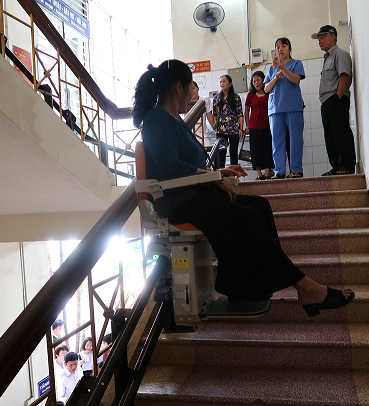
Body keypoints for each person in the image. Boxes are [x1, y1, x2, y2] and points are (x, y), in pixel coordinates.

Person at [132, 59, 354, 316]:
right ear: (178, 87)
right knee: (249, 218)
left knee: (261, 207)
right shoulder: (157, 119)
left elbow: (186, 164)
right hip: (180, 203)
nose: (193, 93)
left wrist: (220, 172)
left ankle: (247, 287)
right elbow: (170, 167)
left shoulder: (174, 120)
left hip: (194, 195)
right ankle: (306, 288)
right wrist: (214, 176)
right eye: (191, 86)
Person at [313, 25, 356, 176]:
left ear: (333, 36)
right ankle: (336, 166)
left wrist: (338, 97)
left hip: (336, 99)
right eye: (318, 38)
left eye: (322, 37)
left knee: (341, 132)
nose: (320, 40)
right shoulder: (327, 57)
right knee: (330, 136)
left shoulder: (340, 54)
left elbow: (344, 76)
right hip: (326, 101)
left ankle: (346, 165)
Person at [264, 37, 306, 179]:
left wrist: (282, 68)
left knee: (295, 139)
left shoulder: (296, 63)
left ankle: (296, 169)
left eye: (284, 46)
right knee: (277, 141)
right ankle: (279, 171)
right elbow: (266, 89)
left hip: (293, 106)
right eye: (278, 47)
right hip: (275, 108)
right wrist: (276, 77)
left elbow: (295, 80)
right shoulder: (271, 68)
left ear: (290, 49)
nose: (280, 49)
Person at [245, 71, 274, 180]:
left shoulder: (269, 93)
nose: (256, 83)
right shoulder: (250, 95)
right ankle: (259, 174)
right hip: (254, 127)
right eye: (254, 81)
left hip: (268, 125)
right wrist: (247, 125)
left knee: (267, 149)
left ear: (263, 80)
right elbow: (246, 111)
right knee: (255, 150)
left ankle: (267, 173)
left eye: (258, 80)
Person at [212, 75, 244, 168]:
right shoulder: (216, 98)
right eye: (220, 82)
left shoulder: (236, 97)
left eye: (224, 81)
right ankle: (222, 174)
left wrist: (241, 129)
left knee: (233, 153)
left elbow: (240, 114)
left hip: (234, 129)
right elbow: (215, 115)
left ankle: (234, 173)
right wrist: (216, 130)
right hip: (221, 130)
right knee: (221, 153)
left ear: (230, 84)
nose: (222, 83)